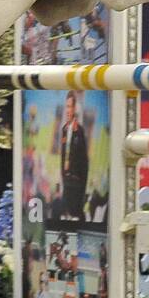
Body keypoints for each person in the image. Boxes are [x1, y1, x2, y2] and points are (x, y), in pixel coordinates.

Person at [58, 92, 88, 220]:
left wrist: (80, 180)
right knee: (65, 213)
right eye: (66, 106)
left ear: (75, 109)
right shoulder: (64, 129)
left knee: (76, 213)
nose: (67, 110)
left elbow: (83, 159)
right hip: (66, 178)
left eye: (70, 106)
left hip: (76, 180)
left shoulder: (79, 130)